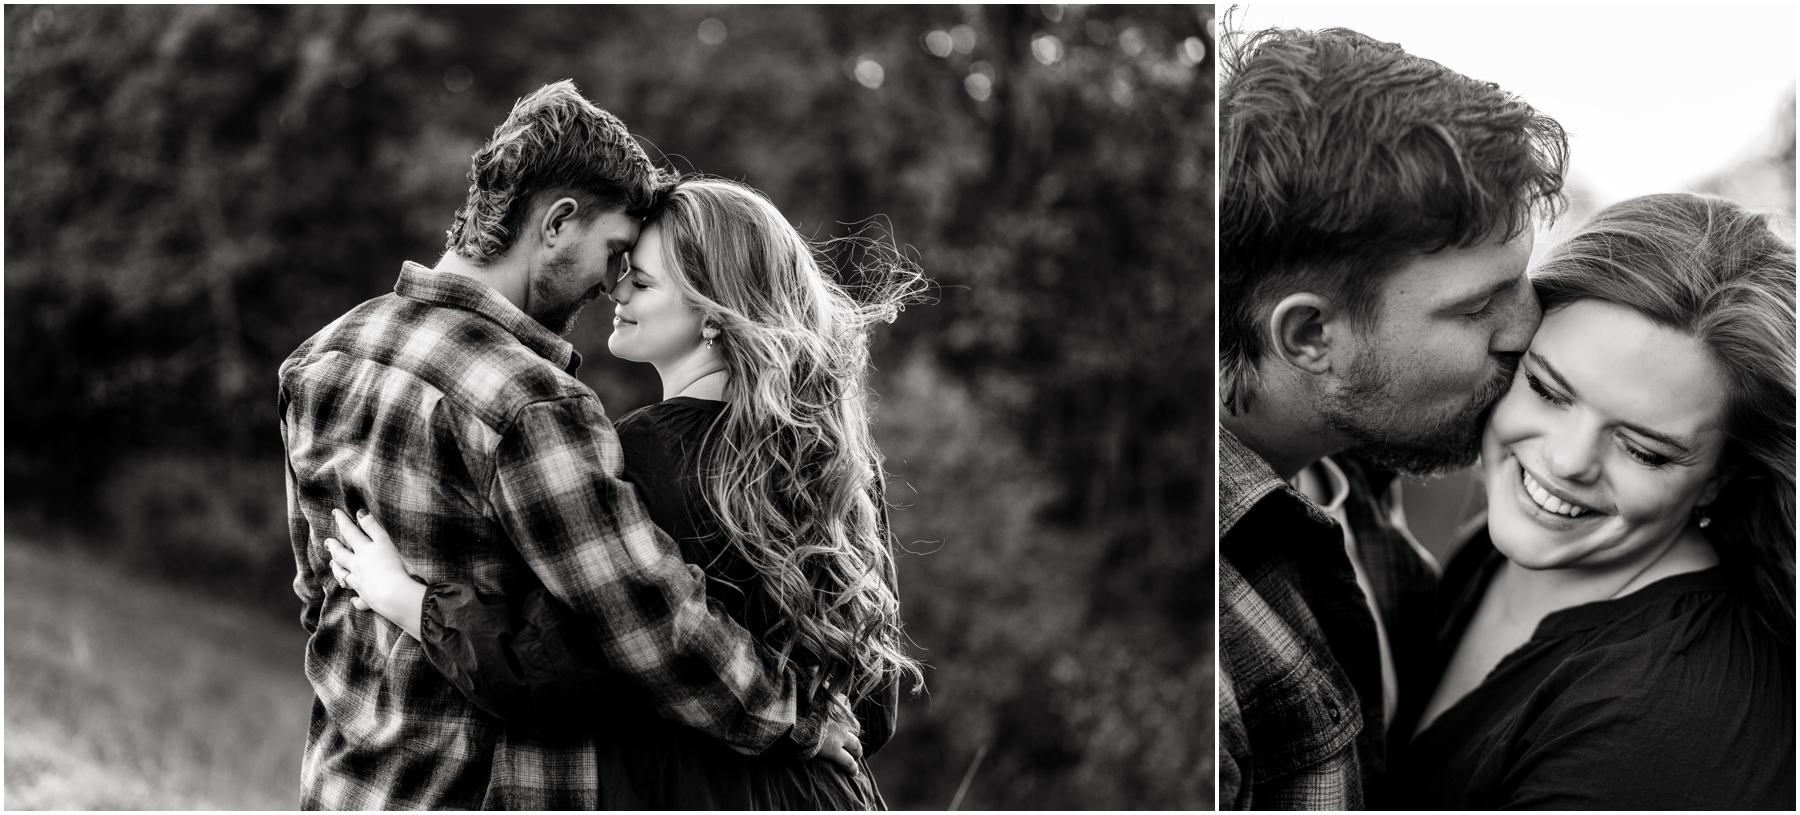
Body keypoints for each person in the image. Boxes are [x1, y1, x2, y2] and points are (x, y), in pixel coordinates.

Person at [279, 82, 857, 810]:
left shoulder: (322, 357)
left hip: (345, 781)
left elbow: (317, 595)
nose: (611, 283)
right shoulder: (530, 402)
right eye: (614, 251)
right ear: (556, 223)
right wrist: (795, 721)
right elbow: (654, 626)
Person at [1216, 26, 1568, 809]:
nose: (1525, 329)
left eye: (1521, 281)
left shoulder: (1352, 449)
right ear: (1312, 337)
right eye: (1478, 308)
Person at [1390, 193, 1796, 809]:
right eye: (1548, 390)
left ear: (1720, 477)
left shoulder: (1667, 715)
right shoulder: (1501, 544)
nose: (1567, 460)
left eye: (1644, 450)